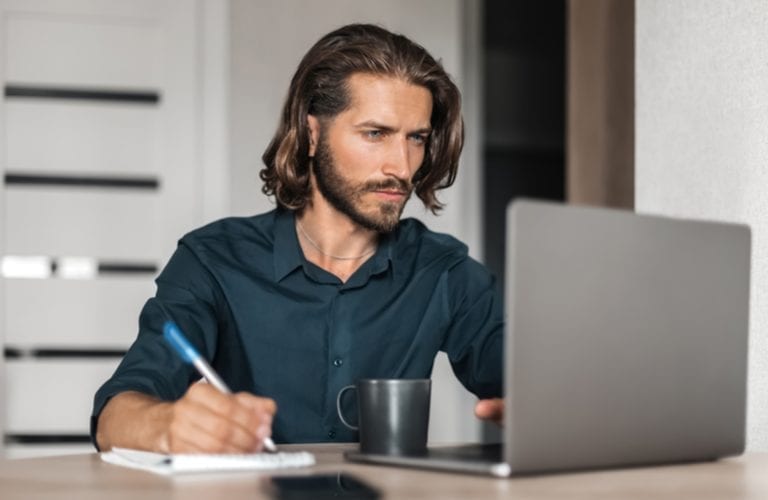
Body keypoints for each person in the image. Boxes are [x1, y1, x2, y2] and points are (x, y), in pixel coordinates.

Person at [92, 23, 504, 454]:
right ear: (312, 133)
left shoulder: (444, 271)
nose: (401, 166)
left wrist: (536, 408)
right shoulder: (212, 260)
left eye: (416, 138)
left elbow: (526, 384)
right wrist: (167, 425)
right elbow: (117, 415)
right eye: (375, 134)